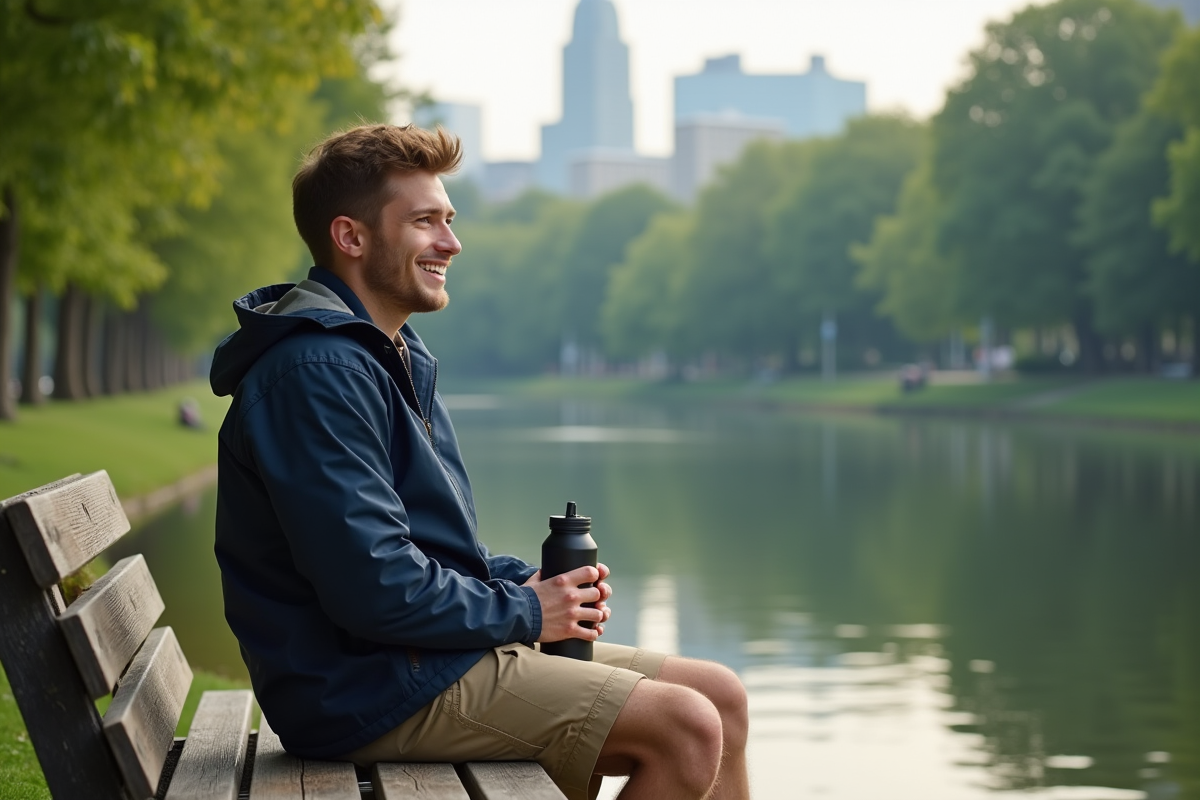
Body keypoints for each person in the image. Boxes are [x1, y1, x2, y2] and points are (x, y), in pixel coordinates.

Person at [209, 124, 748, 800]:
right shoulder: (317, 372)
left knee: (719, 695)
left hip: (412, 660)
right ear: (352, 237)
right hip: (362, 689)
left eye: (450, 220)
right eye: (425, 222)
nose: (451, 243)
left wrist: (530, 584)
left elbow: (429, 550)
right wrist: (527, 611)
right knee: (685, 726)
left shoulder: (383, 355)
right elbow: (373, 586)